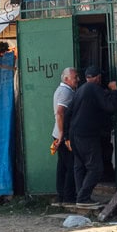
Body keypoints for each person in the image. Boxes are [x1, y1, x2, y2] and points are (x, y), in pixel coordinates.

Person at [66, 65, 117, 208]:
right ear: (98, 78)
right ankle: (83, 198)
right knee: (96, 168)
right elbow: (110, 107)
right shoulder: (94, 89)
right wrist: (114, 91)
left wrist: (66, 137)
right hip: (86, 135)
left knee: (79, 166)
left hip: (74, 133)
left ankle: (79, 196)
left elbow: (68, 113)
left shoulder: (80, 90)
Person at [52, 67, 78, 206]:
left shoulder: (62, 90)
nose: (77, 80)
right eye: (75, 78)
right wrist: (63, 134)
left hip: (58, 133)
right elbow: (60, 113)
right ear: (67, 79)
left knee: (62, 166)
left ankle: (61, 195)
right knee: (71, 165)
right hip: (62, 135)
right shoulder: (66, 92)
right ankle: (68, 197)